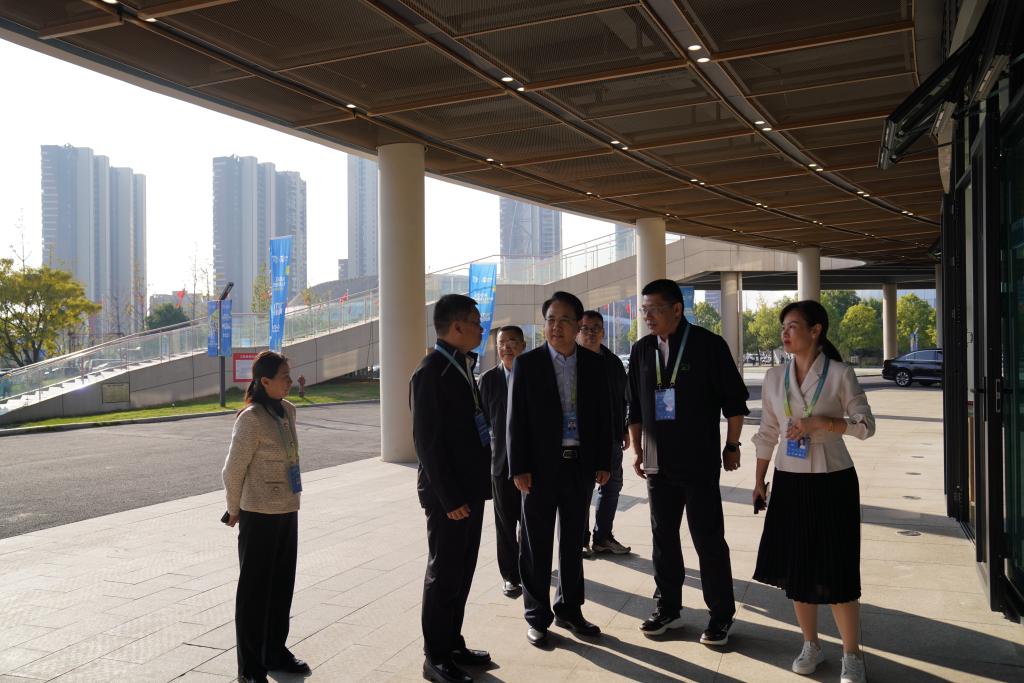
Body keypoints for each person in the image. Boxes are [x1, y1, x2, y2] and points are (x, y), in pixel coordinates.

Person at [751, 300, 875, 683]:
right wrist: (759, 481)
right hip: (789, 481)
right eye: (783, 327)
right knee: (798, 569)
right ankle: (811, 644)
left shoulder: (839, 373)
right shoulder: (775, 377)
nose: (784, 333)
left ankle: (852, 654)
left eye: (792, 326)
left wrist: (824, 422)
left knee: (838, 569)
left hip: (833, 480)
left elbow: (865, 425)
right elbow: (767, 432)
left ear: (816, 330)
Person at [627, 278, 749, 645]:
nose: (648, 317)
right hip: (657, 463)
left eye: (654, 309)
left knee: (708, 539)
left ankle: (721, 615)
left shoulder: (709, 345)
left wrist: (732, 446)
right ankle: (668, 608)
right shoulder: (642, 350)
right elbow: (635, 407)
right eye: (644, 310)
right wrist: (638, 450)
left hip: (698, 462)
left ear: (677, 309)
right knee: (663, 539)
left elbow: (734, 403)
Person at [507, 291, 612, 648]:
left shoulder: (593, 364)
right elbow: (515, 420)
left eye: (564, 319)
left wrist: (603, 462)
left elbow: (603, 416)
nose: (556, 326)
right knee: (535, 544)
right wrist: (519, 467)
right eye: (550, 319)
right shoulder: (527, 364)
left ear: (578, 324)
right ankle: (537, 616)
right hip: (537, 470)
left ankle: (569, 609)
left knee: (572, 542)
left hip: (578, 465)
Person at [410, 294, 492, 683]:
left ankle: (452, 642)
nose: (481, 328)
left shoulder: (460, 364)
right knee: (444, 573)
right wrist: (450, 498)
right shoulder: (431, 372)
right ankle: (436, 656)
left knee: (462, 570)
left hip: (469, 489)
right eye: (476, 322)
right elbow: (427, 443)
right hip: (450, 497)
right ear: (457, 326)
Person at [222, 351, 311, 683]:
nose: (289, 380)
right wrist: (234, 509)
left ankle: (275, 651)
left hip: (287, 509)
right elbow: (233, 470)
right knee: (254, 592)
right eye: (284, 376)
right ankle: (250, 668)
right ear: (265, 381)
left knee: (281, 585)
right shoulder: (251, 419)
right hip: (258, 513)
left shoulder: (288, 410)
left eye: (289, 375)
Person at [577, 310, 631, 557]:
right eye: (585, 328)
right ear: (578, 331)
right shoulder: (572, 361)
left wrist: (624, 428)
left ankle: (603, 537)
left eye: (595, 328)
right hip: (581, 440)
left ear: (603, 332)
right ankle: (580, 539)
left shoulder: (613, 362)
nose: (590, 333)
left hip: (611, 438)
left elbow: (623, 399)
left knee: (612, 486)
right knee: (582, 490)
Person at [478, 325, 526, 598]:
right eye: (501, 342)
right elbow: (480, 423)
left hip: (531, 465)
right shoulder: (487, 380)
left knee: (530, 522)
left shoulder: (533, 376)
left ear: (523, 345)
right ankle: (509, 575)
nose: (506, 347)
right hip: (500, 464)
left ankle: (529, 566)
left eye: (512, 341)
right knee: (505, 524)